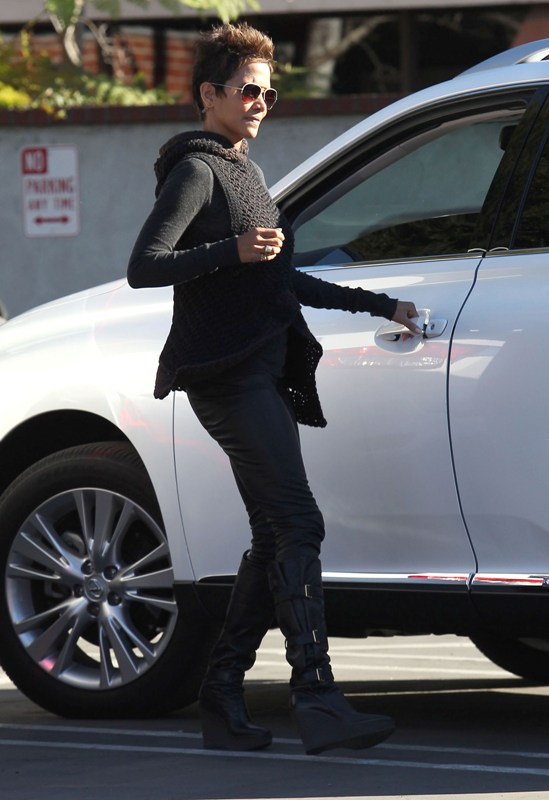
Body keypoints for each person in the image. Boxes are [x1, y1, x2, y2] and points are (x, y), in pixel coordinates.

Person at [127, 22, 420, 755]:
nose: (260, 102)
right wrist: (229, 249)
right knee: (299, 523)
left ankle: (223, 697)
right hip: (225, 377)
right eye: (247, 90)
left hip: (258, 371)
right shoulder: (196, 170)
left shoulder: (246, 173)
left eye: (268, 92)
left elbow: (280, 279)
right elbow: (145, 265)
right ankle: (315, 696)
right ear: (210, 94)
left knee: (273, 532)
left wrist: (380, 305)